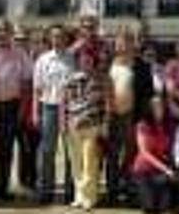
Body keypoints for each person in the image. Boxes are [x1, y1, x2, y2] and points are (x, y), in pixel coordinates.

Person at [0, 20, 33, 201]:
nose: (1, 33)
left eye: (5, 30)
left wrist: (22, 110)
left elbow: (27, 83)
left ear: (11, 33)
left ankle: (0, 188)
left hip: (11, 106)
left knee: (5, 149)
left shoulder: (20, 54)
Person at [63, 47, 112, 211]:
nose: (85, 62)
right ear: (79, 61)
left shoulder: (102, 79)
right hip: (73, 125)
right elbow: (65, 102)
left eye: (89, 59)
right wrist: (63, 123)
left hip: (93, 126)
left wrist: (105, 123)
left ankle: (90, 198)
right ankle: (79, 197)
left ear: (93, 61)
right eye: (83, 59)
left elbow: (108, 103)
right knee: (76, 164)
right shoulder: (71, 78)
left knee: (90, 162)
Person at [34, 25, 75, 204]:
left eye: (61, 36)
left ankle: (70, 192)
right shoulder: (43, 59)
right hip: (49, 107)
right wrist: (35, 112)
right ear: (50, 39)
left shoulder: (73, 58)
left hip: (70, 110)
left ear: (66, 38)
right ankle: (45, 191)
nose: (58, 39)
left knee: (70, 151)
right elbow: (37, 89)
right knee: (47, 150)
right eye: (54, 36)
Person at [107, 29, 140, 206]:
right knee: (112, 154)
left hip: (130, 115)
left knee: (130, 154)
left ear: (132, 44)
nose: (123, 45)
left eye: (127, 41)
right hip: (111, 114)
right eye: (119, 42)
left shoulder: (138, 64)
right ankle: (112, 192)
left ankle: (129, 190)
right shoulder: (108, 63)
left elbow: (143, 91)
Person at [133, 95, 177, 214]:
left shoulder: (170, 126)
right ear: (150, 108)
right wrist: (166, 169)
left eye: (161, 105)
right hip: (143, 171)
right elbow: (144, 153)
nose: (158, 108)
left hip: (161, 171)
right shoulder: (142, 125)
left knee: (165, 206)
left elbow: (172, 149)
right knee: (149, 207)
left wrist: (171, 165)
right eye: (155, 105)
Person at [15, 29, 40, 193]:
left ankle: (32, 179)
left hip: (33, 108)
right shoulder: (11, 59)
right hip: (14, 109)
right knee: (23, 147)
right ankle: (23, 179)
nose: (20, 42)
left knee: (34, 146)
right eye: (17, 40)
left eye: (23, 40)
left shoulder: (36, 60)